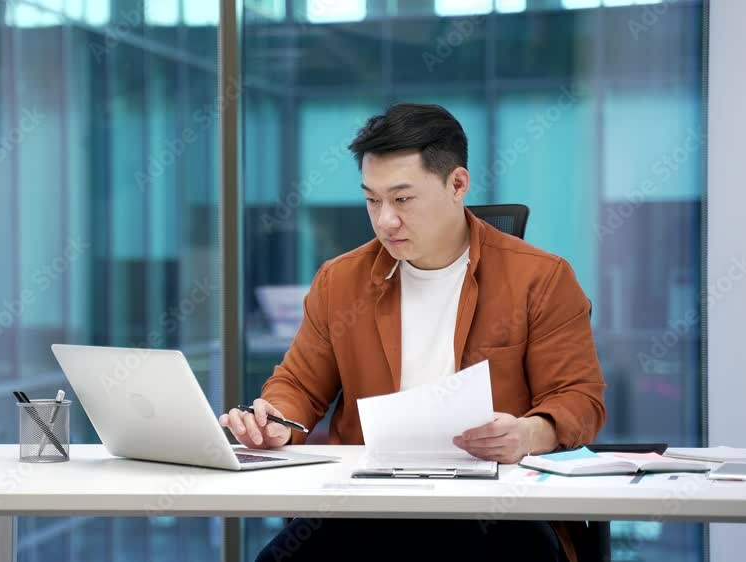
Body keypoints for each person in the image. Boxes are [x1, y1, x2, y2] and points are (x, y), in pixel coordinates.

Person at [218, 103, 606, 562]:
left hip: (492, 512)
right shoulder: (340, 280)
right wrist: (276, 421)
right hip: (367, 508)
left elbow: (579, 401)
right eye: (371, 199)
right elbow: (299, 385)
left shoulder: (540, 278)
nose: (385, 220)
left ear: (457, 184)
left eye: (402, 199)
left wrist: (527, 434)